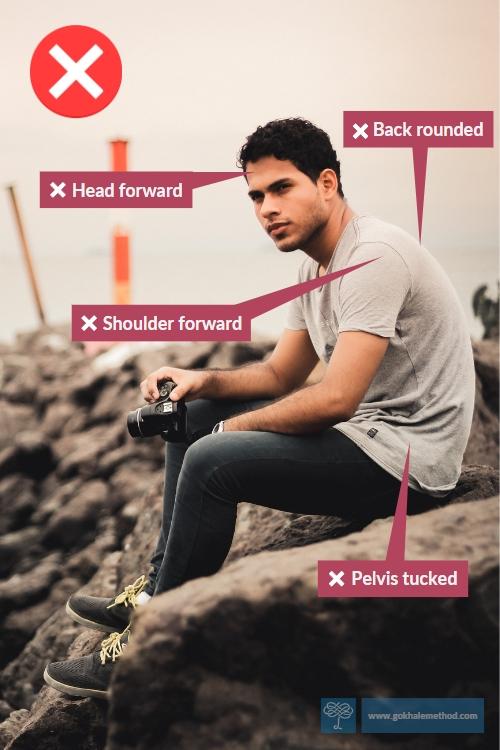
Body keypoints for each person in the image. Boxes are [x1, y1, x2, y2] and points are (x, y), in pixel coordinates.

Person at [44, 118, 475, 698]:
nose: (267, 207)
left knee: (211, 458)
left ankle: (148, 644)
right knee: (193, 417)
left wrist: (229, 429)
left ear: (327, 184)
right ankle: (154, 588)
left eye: (281, 188)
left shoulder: (374, 256)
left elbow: (336, 398)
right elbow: (280, 374)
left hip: (410, 461)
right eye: (255, 195)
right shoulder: (314, 266)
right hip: (371, 437)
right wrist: (199, 381)